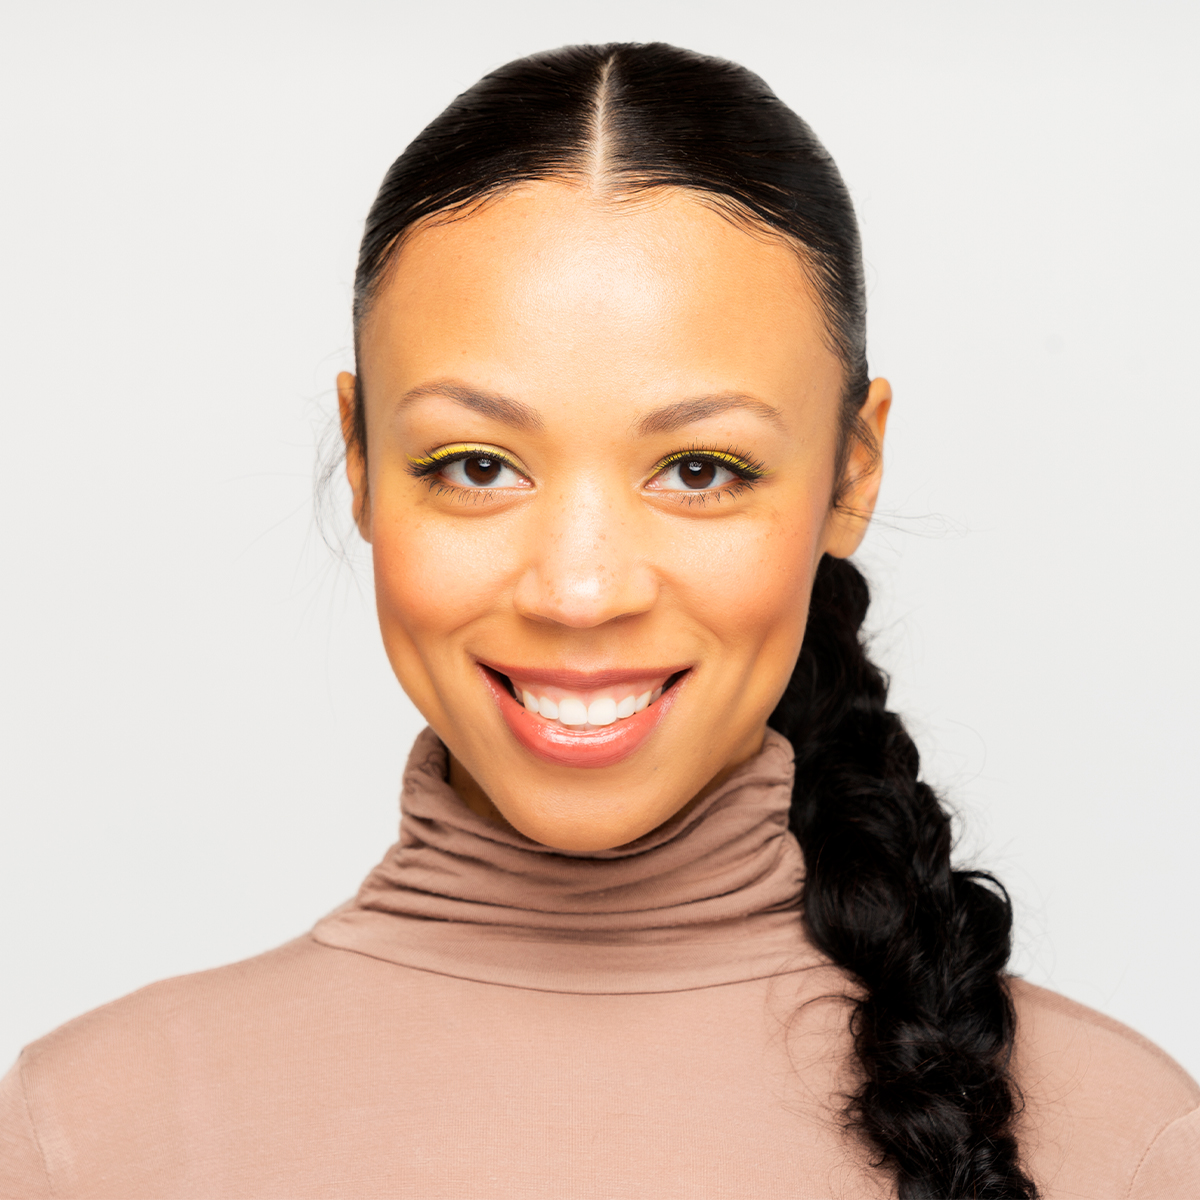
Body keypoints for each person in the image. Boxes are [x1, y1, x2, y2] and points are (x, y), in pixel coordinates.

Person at [1, 41, 1196, 1200]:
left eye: (698, 469)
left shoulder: (1130, 1146)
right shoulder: (80, 1140)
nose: (579, 593)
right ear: (361, 461)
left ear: (851, 473)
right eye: (476, 466)